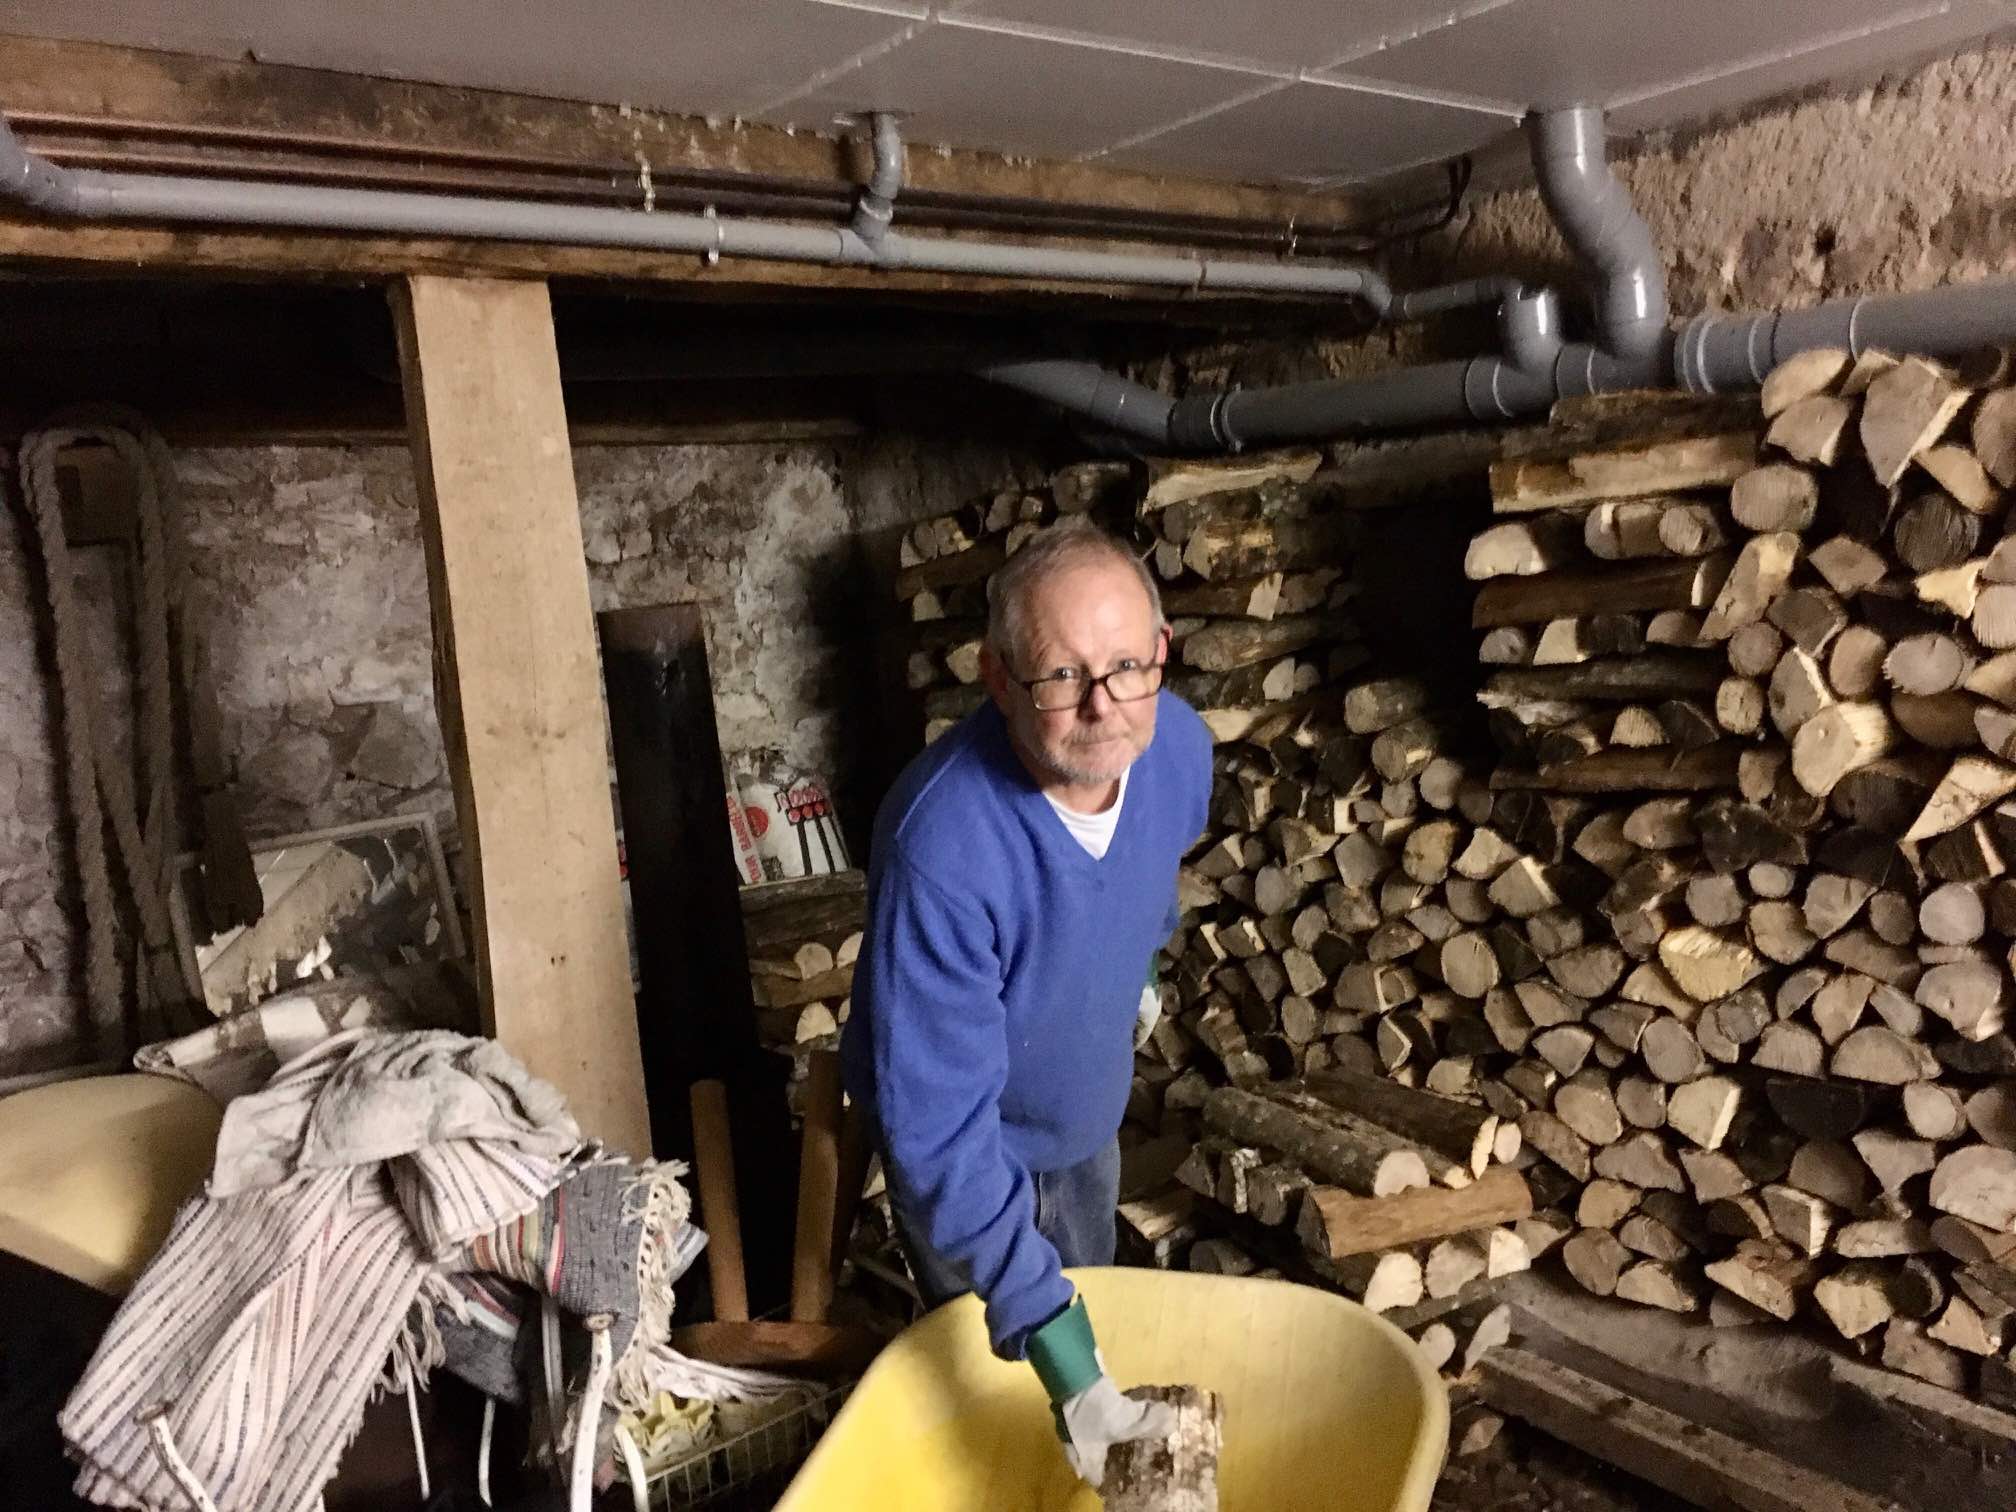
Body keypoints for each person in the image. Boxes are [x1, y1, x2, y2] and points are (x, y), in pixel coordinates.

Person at [840, 517, 1213, 1486]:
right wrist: (1061, 1358)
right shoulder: (942, 843)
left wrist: (1137, 967)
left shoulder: (1178, 748)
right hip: (968, 1142)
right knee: (1003, 1381)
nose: (1103, 705)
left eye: (1127, 666)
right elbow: (938, 1128)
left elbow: (1154, 870)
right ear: (998, 678)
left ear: (1162, 652)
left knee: (1094, 1303)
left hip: (1082, 1117)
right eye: (1061, 675)